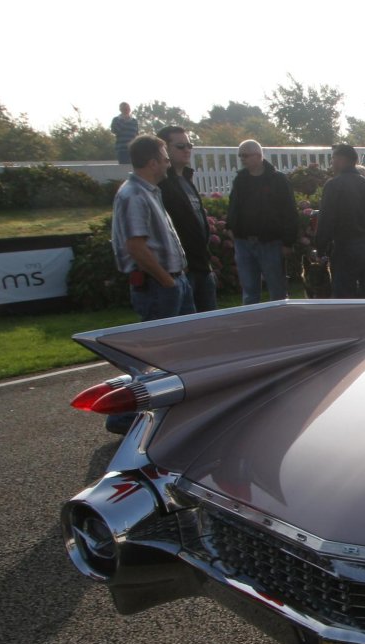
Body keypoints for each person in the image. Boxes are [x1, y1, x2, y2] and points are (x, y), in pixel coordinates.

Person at [107, 134, 192, 433]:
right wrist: (168, 282)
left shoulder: (148, 191)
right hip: (159, 287)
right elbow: (136, 247)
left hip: (172, 282)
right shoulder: (133, 195)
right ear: (153, 161)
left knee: (178, 352)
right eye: (165, 156)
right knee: (155, 358)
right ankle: (122, 417)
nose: (169, 161)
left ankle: (168, 409)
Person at [227, 139, 298, 303]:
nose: (242, 159)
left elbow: (289, 211)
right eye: (240, 156)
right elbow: (234, 204)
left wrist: (288, 242)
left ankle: (280, 323)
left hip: (270, 243)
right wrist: (231, 226)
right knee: (249, 291)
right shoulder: (241, 180)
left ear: (258, 156)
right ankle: (252, 324)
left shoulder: (277, 179)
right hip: (243, 243)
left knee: (277, 291)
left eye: (245, 155)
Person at [156, 126, 216, 312]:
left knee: (210, 326)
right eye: (180, 146)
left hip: (202, 266)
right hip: (183, 270)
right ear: (164, 150)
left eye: (189, 145)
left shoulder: (186, 179)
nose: (187, 150)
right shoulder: (162, 184)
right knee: (188, 329)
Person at [313, 144, 365, 298]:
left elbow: (326, 219)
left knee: (344, 297)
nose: (331, 163)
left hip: (345, 248)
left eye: (333, 159)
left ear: (342, 160)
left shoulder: (334, 185)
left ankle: (350, 322)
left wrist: (321, 248)